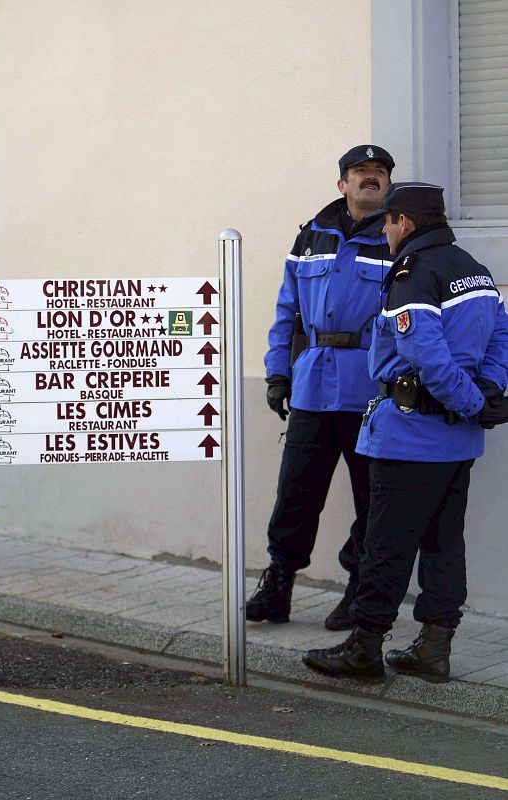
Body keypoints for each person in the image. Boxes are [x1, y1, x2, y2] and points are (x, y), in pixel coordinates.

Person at [303, 182, 508, 682]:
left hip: (411, 434)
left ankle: (364, 647)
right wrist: (487, 390)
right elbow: (501, 335)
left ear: (405, 223)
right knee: (443, 545)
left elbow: (427, 355)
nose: (386, 232)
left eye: (388, 223)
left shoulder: (413, 273)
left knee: (385, 546)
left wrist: (468, 399)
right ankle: (433, 649)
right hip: (458, 441)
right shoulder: (473, 270)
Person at [246, 145, 395, 628]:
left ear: (387, 184)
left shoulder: (396, 239)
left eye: (378, 172)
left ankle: (359, 588)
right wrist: (278, 372)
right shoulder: (311, 237)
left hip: (370, 393)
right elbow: (287, 313)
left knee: (371, 498)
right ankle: (280, 583)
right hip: (312, 386)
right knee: (295, 494)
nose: (369, 178)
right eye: (360, 172)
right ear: (342, 184)